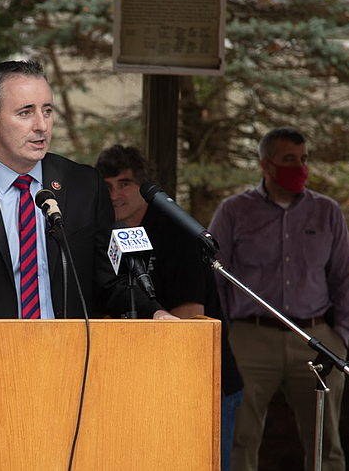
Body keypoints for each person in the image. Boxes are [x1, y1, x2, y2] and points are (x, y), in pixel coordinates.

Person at [0, 60, 173, 362]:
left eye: (47, 110)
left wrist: (155, 312)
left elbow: (110, 283)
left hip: (71, 368)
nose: (41, 125)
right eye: (25, 112)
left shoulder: (83, 185)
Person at [207, 127, 349, 471]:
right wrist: (229, 337)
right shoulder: (233, 212)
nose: (300, 167)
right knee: (238, 438)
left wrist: (341, 337)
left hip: (316, 339)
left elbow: (344, 278)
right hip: (250, 339)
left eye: (304, 159)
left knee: (325, 443)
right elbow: (214, 277)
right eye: (289, 159)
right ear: (266, 164)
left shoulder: (328, 212)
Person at [96, 144, 244, 471]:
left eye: (124, 183)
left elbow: (190, 317)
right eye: (106, 186)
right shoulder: (106, 234)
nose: (115, 194)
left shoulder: (177, 232)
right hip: (145, 385)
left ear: (144, 187)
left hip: (203, 383)